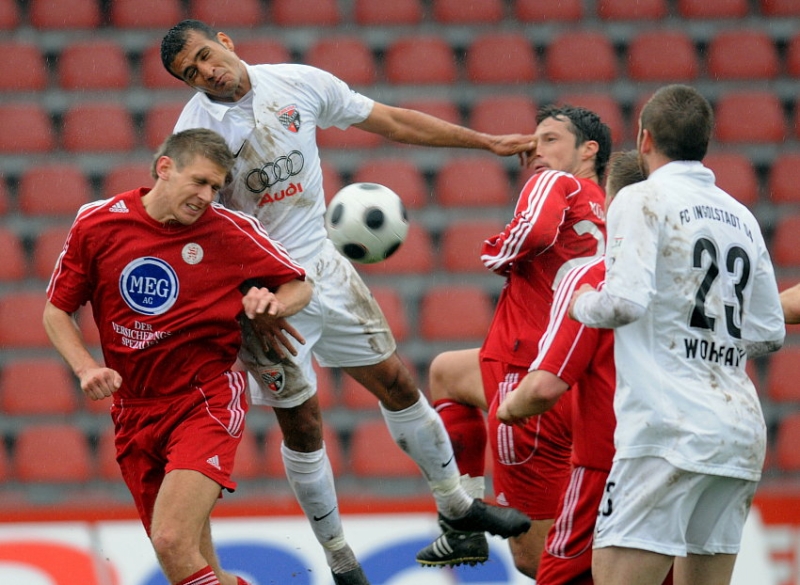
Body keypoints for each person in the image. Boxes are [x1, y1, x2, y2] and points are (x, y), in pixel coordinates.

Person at [159, 19, 533, 585]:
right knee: (304, 426)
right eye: (193, 74)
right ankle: (340, 560)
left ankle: (457, 508)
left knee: (398, 384)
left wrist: (483, 141)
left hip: (326, 269)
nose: (208, 73)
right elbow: (184, 227)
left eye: (208, 57)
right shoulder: (198, 136)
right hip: (264, 297)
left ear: (227, 43)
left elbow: (390, 120)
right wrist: (239, 303)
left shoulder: (297, 84)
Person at [43, 129, 313, 585]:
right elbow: (56, 310)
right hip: (133, 411)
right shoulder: (97, 223)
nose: (208, 196)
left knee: (170, 539)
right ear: (165, 168)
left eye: (216, 187)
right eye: (200, 182)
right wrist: (86, 367)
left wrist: (274, 304)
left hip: (202, 400)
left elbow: (299, 283)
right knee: (186, 561)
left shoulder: (230, 231)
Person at [569, 84, 785, 585]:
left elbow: (624, 302)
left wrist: (575, 299)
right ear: (705, 142)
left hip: (666, 430)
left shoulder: (642, 198)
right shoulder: (742, 217)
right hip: (738, 434)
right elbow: (770, 332)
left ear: (644, 139)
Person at [417, 104, 611, 577]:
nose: (534, 149)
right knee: (446, 370)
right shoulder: (614, 205)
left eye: (549, 140)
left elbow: (535, 231)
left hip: (526, 375)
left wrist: (497, 252)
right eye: (534, 140)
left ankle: (464, 525)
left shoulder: (553, 183)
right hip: (587, 375)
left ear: (589, 150)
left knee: (538, 562)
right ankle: (462, 518)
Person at [496, 150, 644, 585]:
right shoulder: (687, 274)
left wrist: (507, 407)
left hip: (608, 463)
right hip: (688, 457)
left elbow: (544, 387)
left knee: (555, 573)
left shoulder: (596, 278)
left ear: (613, 201)